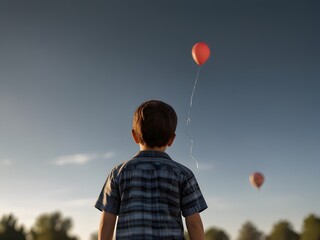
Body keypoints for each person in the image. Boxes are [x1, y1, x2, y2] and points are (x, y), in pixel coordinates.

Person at [95, 100, 207, 240]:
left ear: (134, 136)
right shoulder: (184, 175)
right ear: (171, 140)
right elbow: (194, 223)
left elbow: (106, 222)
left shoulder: (118, 173)